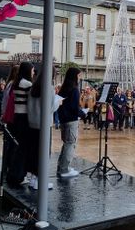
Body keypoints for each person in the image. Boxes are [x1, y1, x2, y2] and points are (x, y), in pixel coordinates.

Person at [27, 62, 60, 190]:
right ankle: (40, 182)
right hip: (44, 125)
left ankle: (33, 180)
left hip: (32, 123)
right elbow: (50, 107)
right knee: (44, 153)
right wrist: (58, 102)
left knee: (34, 152)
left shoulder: (33, 86)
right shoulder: (49, 88)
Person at [7, 62, 34, 186]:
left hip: (17, 117)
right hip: (24, 118)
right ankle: (18, 176)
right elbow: (32, 101)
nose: (33, 73)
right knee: (23, 149)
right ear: (28, 70)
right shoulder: (27, 84)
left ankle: (14, 173)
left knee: (18, 148)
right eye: (32, 70)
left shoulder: (16, 82)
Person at [56, 67, 86, 178]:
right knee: (70, 144)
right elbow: (74, 107)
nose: (80, 78)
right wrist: (83, 113)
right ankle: (64, 170)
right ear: (74, 76)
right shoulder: (74, 89)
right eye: (78, 76)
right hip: (71, 120)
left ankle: (62, 167)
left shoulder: (64, 89)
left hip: (64, 120)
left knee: (66, 144)